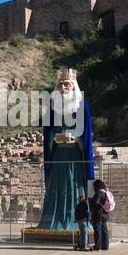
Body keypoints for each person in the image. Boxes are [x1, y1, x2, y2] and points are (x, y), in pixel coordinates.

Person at [37, 68, 95, 231]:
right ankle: (52, 220)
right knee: (57, 186)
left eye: (67, 84)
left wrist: (75, 138)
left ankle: (78, 220)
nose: (63, 87)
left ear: (73, 86)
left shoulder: (82, 106)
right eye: (60, 84)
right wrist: (55, 138)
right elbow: (48, 131)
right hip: (58, 156)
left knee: (74, 186)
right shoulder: (53, 106)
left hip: (74, 156)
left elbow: (86, 134)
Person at [92, 179, 109, 251]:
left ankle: (97, 246)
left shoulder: (98, 193)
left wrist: (92, 202)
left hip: (98, 214)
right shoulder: (105, 192)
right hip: (105, 214)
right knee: (104, 230)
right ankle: (105, 246)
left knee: (97, 230)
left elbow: (96, 203)